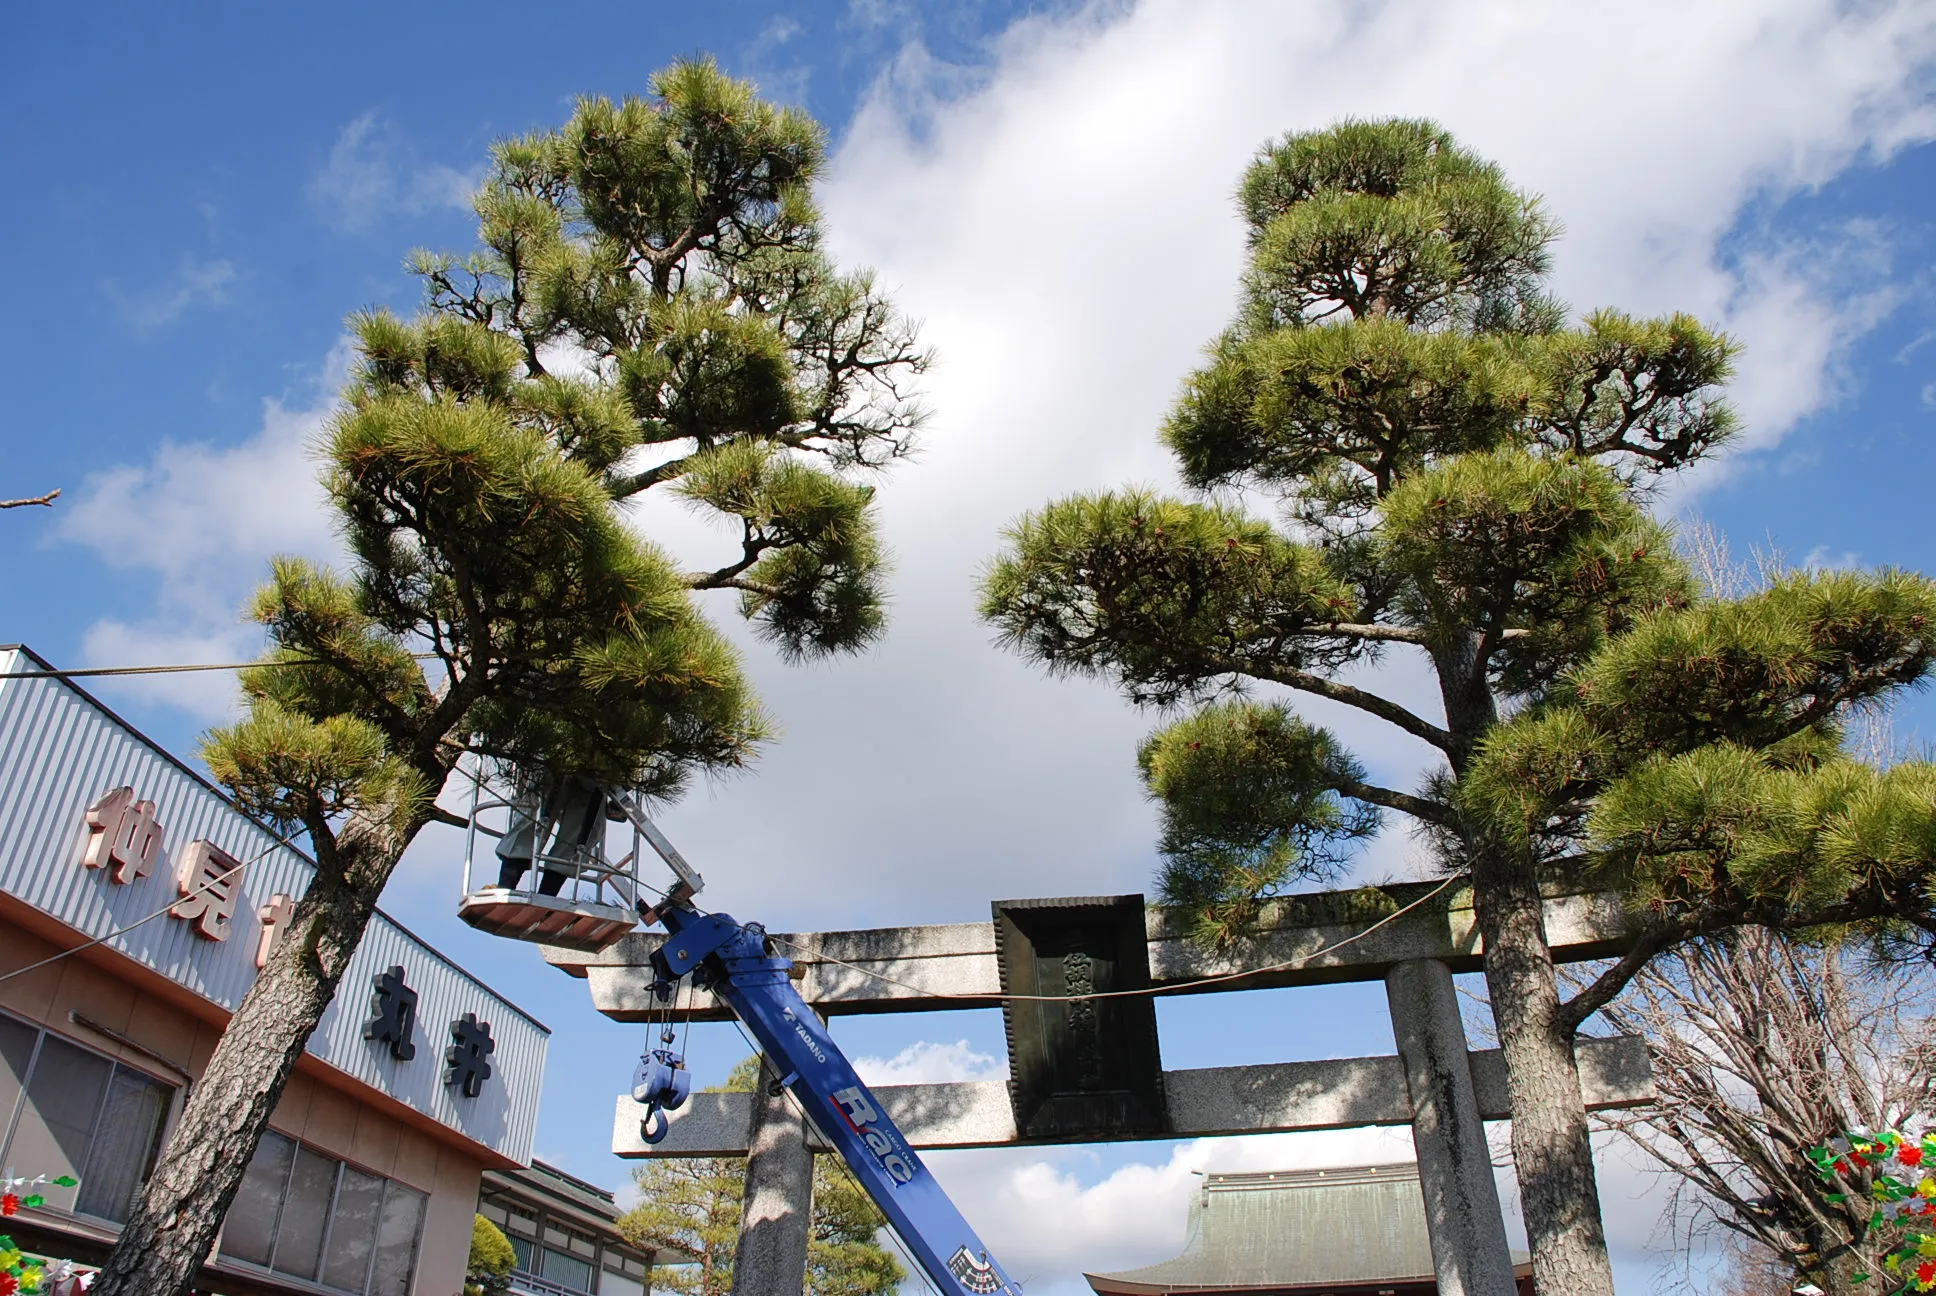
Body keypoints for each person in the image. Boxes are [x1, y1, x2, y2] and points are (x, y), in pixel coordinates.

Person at [494, 776, 609, 896]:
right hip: (549, 766)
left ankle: (545, 897)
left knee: (581, 834)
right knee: (532, 821)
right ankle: (504, 889)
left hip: (596, 776)